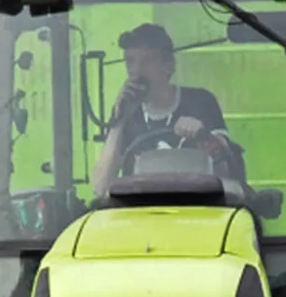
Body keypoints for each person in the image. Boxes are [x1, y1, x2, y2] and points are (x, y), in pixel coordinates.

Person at [90, 23, 243, 196]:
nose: (136, 71)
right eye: (130, 61)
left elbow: (229, 172)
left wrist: (204, 137)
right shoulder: (127, 114)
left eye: (147, 61)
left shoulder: (200, 101)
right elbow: (101, 187)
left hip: (197, 204)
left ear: (169, 65)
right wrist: (119, 122)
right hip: (141, 208)